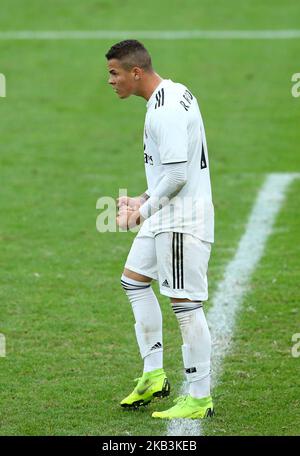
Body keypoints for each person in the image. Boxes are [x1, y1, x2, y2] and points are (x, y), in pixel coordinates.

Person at [105, 40, 214, 419]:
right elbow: (170, 170)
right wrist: (142, 199)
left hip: (182, 220)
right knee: (133, 281)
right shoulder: (174, 93)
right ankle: (154, 375)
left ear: (136, 72)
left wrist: (142, 212)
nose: (111, 80)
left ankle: (199, 396)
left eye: (114, 72)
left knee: (185, 305)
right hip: (166, 213)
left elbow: (180, 176)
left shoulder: (162, 112)